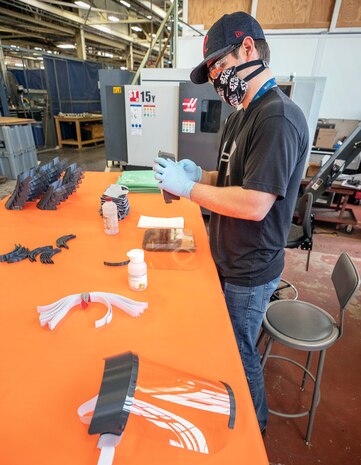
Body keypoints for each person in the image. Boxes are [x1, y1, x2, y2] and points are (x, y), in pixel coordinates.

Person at [153, 11, 309, 435]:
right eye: (213, 72)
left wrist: (187, 190)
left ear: (248, 49)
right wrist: (196, 174)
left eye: (220, 66)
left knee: (241, 356)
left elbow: (256, 203)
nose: (218, 78)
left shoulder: (277, 117)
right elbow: (231, 181)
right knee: (225, 347)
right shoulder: (242, 113)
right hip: (225, 255)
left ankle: (252, 433)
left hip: (249, 268)